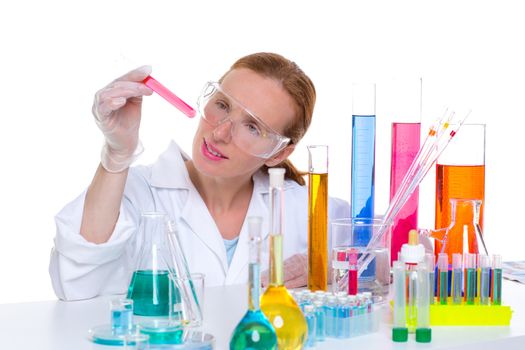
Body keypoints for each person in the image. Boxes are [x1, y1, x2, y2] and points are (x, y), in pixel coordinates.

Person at [49, 52, 349, 301]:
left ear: (278, 154)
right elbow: (76, 285)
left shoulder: (303, 207)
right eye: (222, 105)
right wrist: (116, 158)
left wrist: (326, 268)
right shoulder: (139, 192)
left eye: (253, 127)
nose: (219, 133)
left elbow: (384, 253)